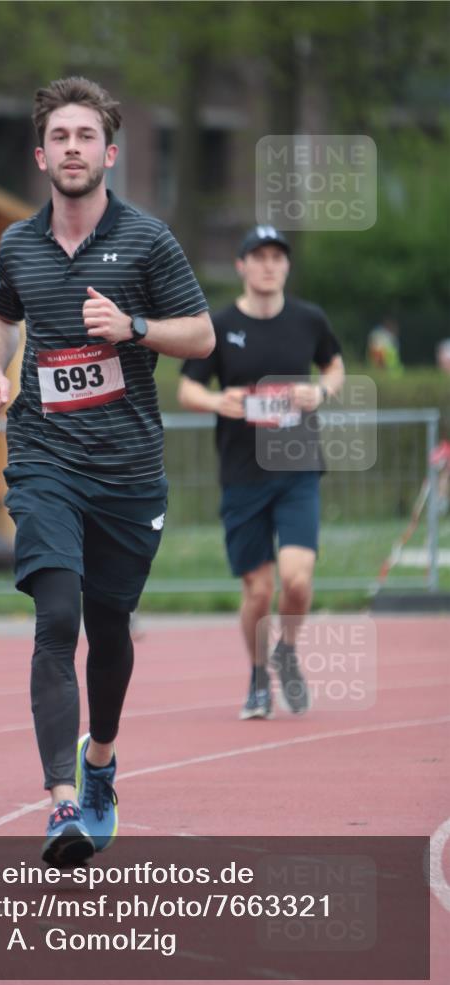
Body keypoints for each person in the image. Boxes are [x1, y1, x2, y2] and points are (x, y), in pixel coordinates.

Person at [0, 76, 213, 866]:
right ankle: (61, 803)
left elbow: (201, 337)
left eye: (85, 136)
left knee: (109, 628)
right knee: (57, 619)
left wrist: (132, 326)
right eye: (59, 137)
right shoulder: (18, 244)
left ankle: (100, 761)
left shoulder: (147, 240)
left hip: (128, 473)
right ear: (39, 154)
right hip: (44, 459)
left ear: (109, 153)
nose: (72, 148)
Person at [178, 225, 344, 721]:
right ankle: (256, 675)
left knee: (297, 580)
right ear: (241, 266)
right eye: (259, 257)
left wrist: (321, 392)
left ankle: (285, 650)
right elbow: (187, 390)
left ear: (287, 266)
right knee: (258, 590)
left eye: (277, 257)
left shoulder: (309, 319)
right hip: (242, 472)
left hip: (297, 467)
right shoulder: (218, 324)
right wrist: (218, 401)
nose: (269, 265)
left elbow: (334, 366)